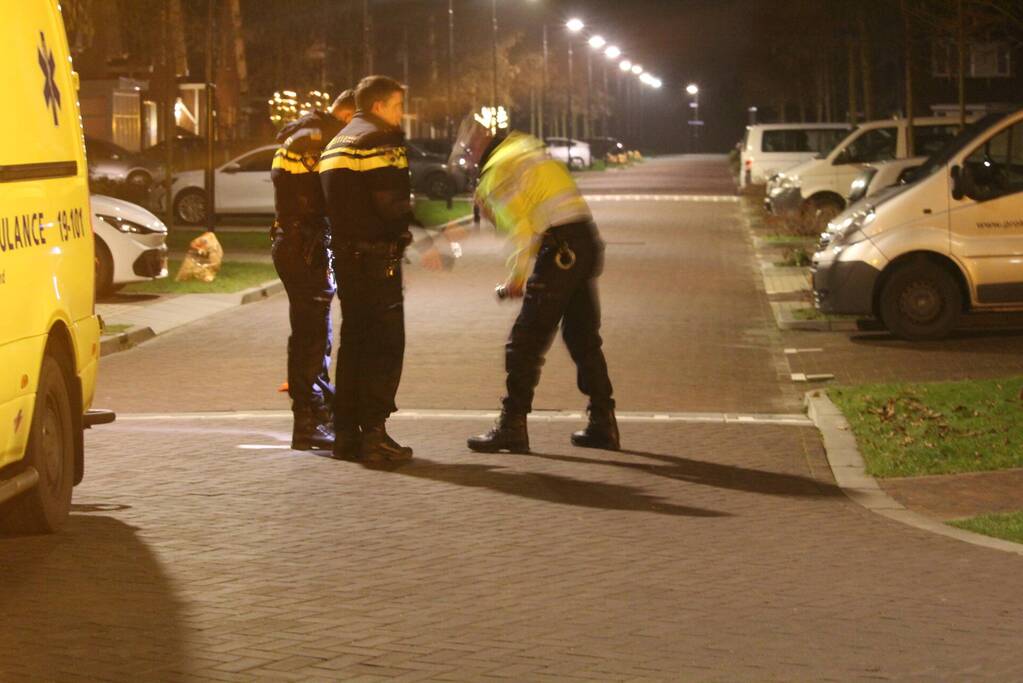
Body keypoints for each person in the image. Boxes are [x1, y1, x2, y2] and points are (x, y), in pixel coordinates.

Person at [451, 113, 620, 453]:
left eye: (470, 149)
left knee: (525, 342)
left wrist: (516, 279)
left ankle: (512, 425)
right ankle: (603, 421)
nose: (469, 156)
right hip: (584, 243)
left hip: (558, 250)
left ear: (479, 145)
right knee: (582, 337)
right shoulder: (523, 148)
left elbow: (522, 230)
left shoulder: (498, 170)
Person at [320, 75, 442, 463]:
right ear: (377, 106)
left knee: (353, 344)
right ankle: (375, 434)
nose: (400, 114)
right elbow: (391, 203)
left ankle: (345, 435)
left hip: (345, 259)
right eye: (396, 106)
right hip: (377, 260)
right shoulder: (381, 140)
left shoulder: (336, 142)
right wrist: (414, 235)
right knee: (385, 346)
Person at [271, 90, 356, 450]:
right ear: (349, 115)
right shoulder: (318, 140)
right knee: (310, 336)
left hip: (298, 242)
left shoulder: (307, 133)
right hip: (304, 244)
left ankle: (317, 411)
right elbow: (323, 197)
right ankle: (308, 420)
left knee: (315, 332)